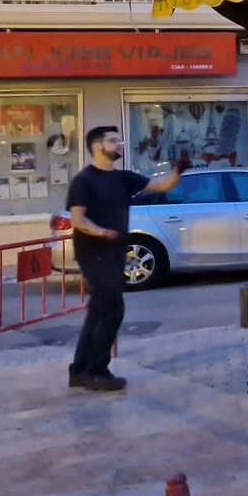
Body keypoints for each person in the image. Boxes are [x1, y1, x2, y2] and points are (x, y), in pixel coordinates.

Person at [66, 126, 183, 391]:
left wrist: (179, 171)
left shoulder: (123, 178)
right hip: (93, 254)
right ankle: (96, 371)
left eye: (119, 139)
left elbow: (160, 184)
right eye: (112, 140)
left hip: (115, 253)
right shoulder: (84, 180)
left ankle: (79, 370)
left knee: (97, 312)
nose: (119, 143)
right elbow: (78, 218)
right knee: (113, 310)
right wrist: (101, 231)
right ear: (97, 146)